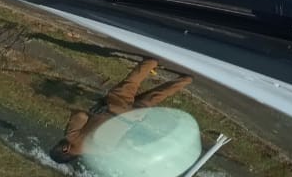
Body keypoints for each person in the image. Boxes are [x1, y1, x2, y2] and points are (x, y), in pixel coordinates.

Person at [50, 58, 192, 163]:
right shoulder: (71, 137)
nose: (58, 142)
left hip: (132, 119)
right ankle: (150, 63)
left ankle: (185, 80)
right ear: (65, 150)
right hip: (113, 108)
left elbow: (121, 142)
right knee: (130, 83)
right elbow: (80, 116)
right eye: (57, 145)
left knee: (155, 96)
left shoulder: (99, 152)